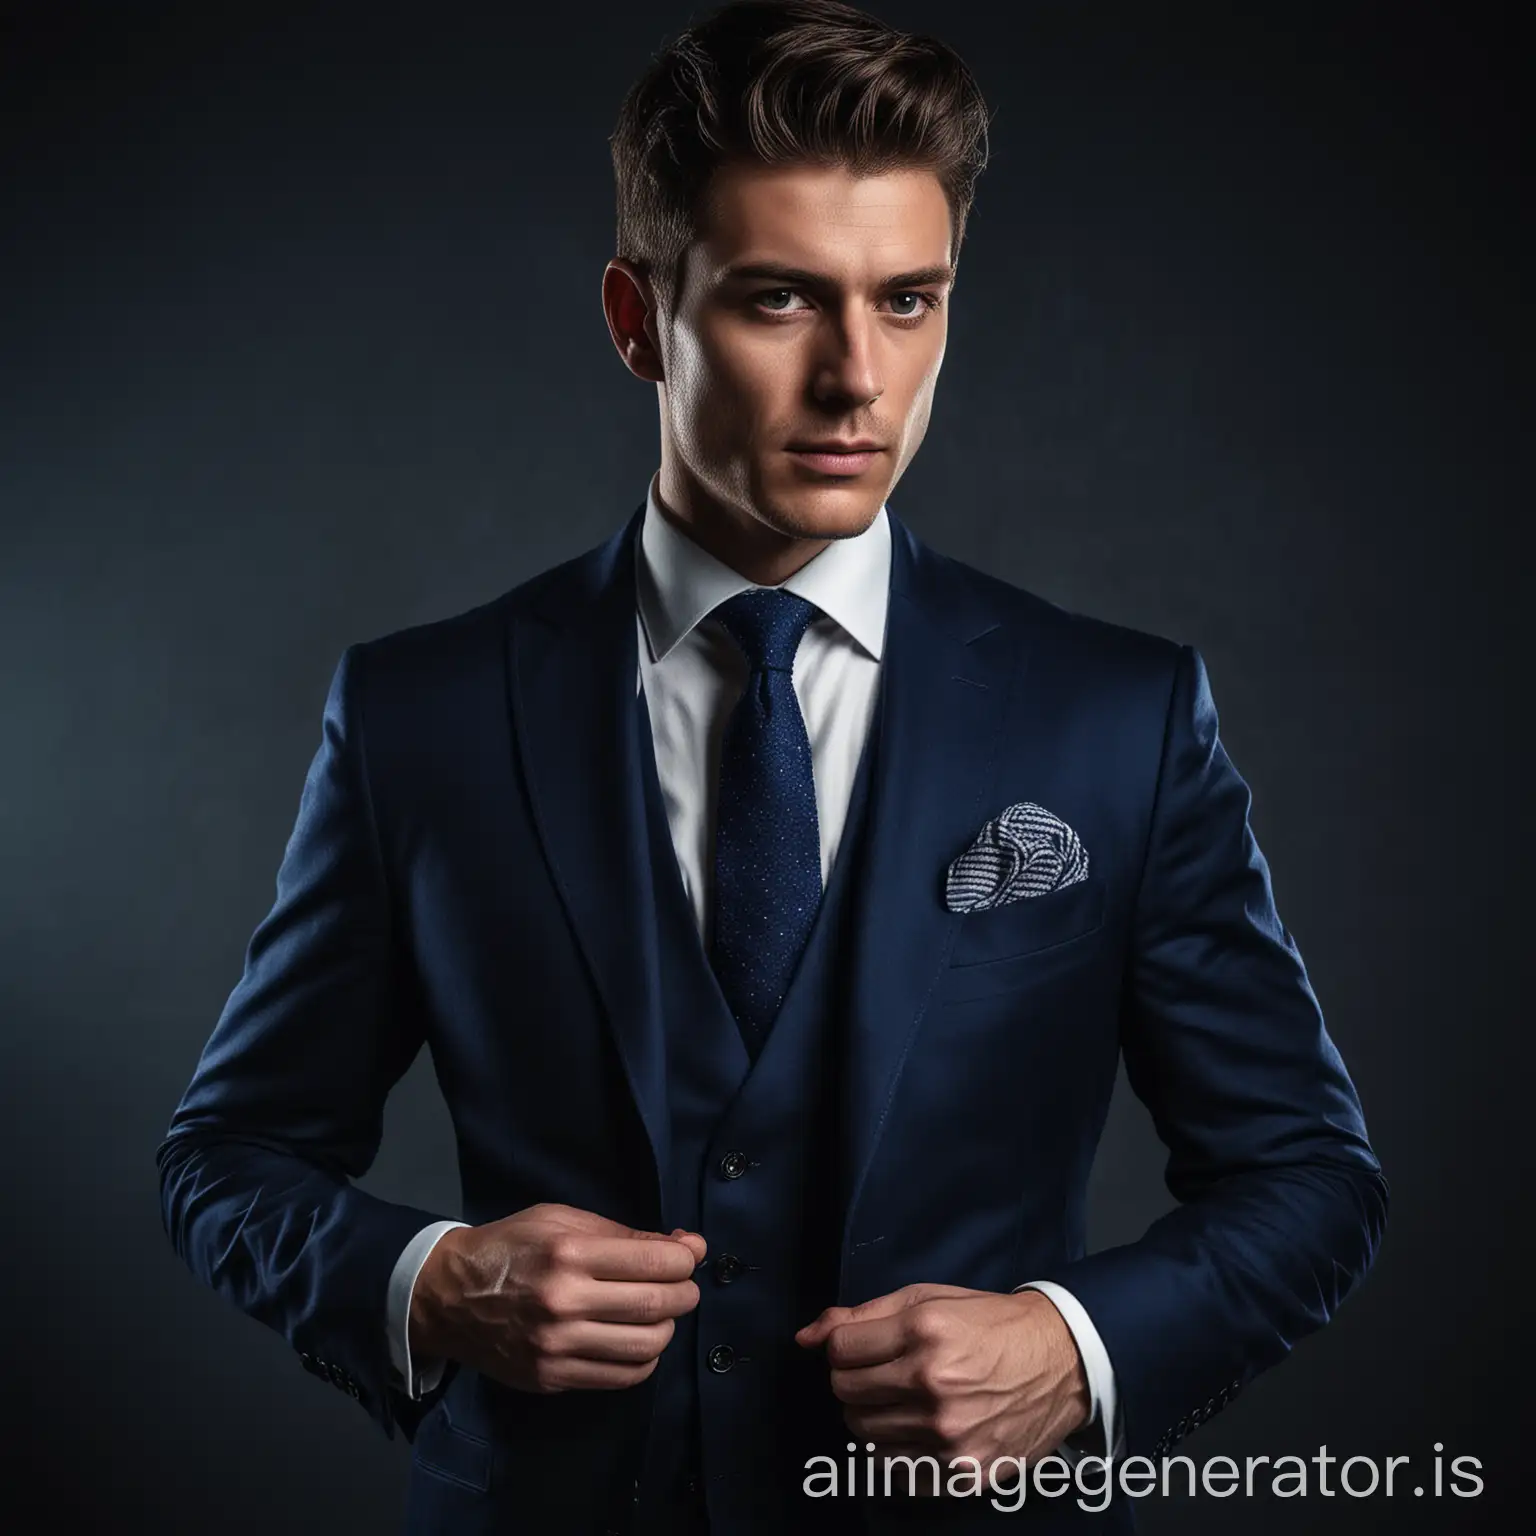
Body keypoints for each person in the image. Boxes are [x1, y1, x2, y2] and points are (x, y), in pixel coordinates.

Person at [155, 3, 1387, 1532]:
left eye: (911, 300)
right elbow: (232, 1156)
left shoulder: (1117, 718)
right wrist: (434, 1281)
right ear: (636, 318)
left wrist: (1073, 1352)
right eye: (783, 300)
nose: (859, 378)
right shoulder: (427, 714)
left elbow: (1311, 1180)